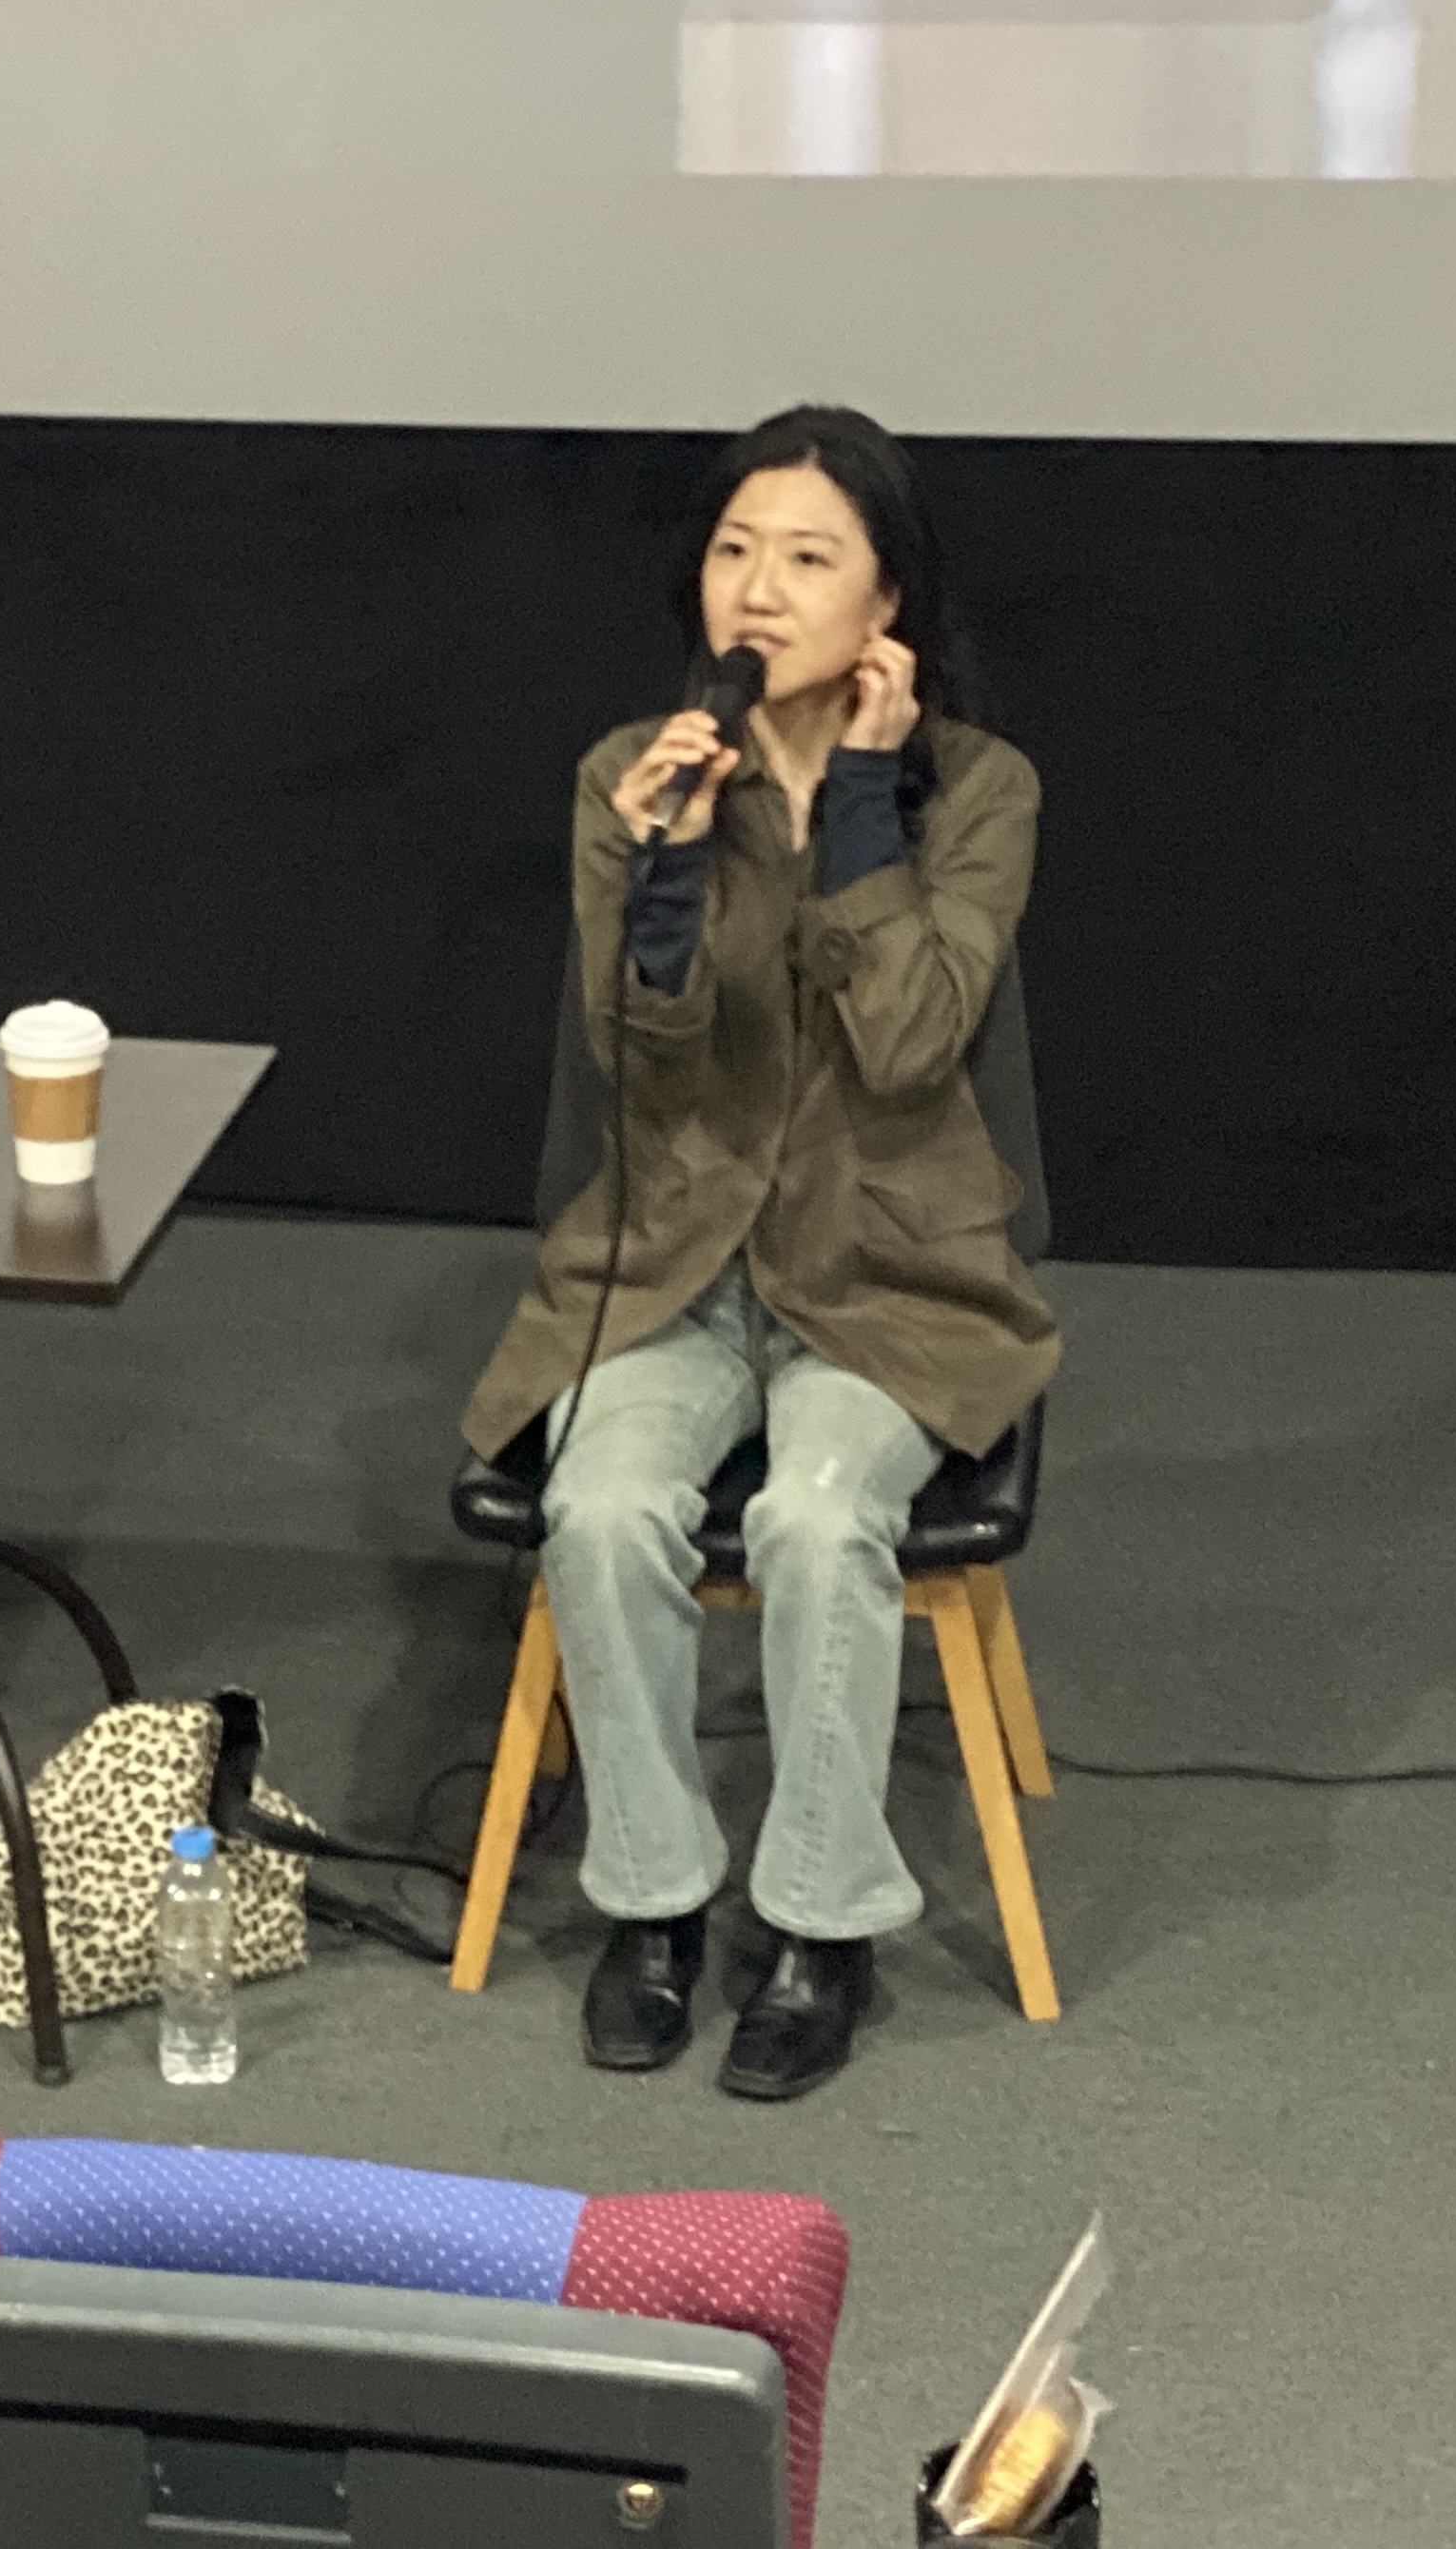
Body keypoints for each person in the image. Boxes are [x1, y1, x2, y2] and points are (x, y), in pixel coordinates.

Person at [456, 406, 1058, 2103]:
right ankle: (652, 1900)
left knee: (815, 1516)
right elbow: (631, 1062)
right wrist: (660, 865)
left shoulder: (979, 789)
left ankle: (818, 1925)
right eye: (735, 551)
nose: (760, 589)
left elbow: (912, 1040)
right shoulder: (631, 772)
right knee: (599, 1506)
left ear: (886, 599)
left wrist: (858, 803)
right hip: (671, 1259)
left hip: (889, 1274)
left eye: (807, 557)